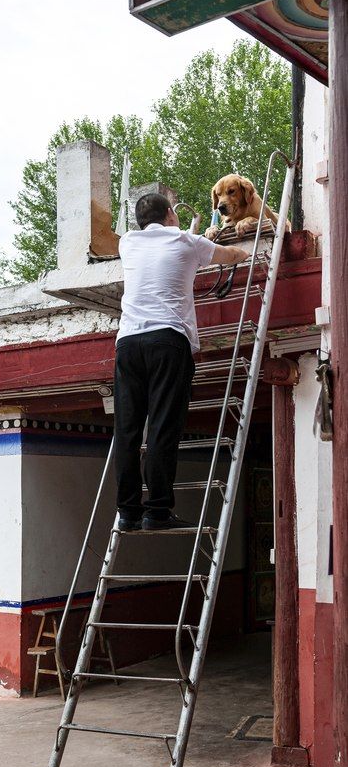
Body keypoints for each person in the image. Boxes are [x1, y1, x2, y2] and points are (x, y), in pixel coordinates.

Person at [115, 192, 247, 531]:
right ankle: (156, 511)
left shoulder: (128, 243)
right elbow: (229, 255)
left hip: (128, 343)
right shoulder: (187, 241)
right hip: (167, 340)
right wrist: (244, 249)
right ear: (171, 214)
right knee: (162, 426)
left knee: (128, 430)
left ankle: (128, 513)